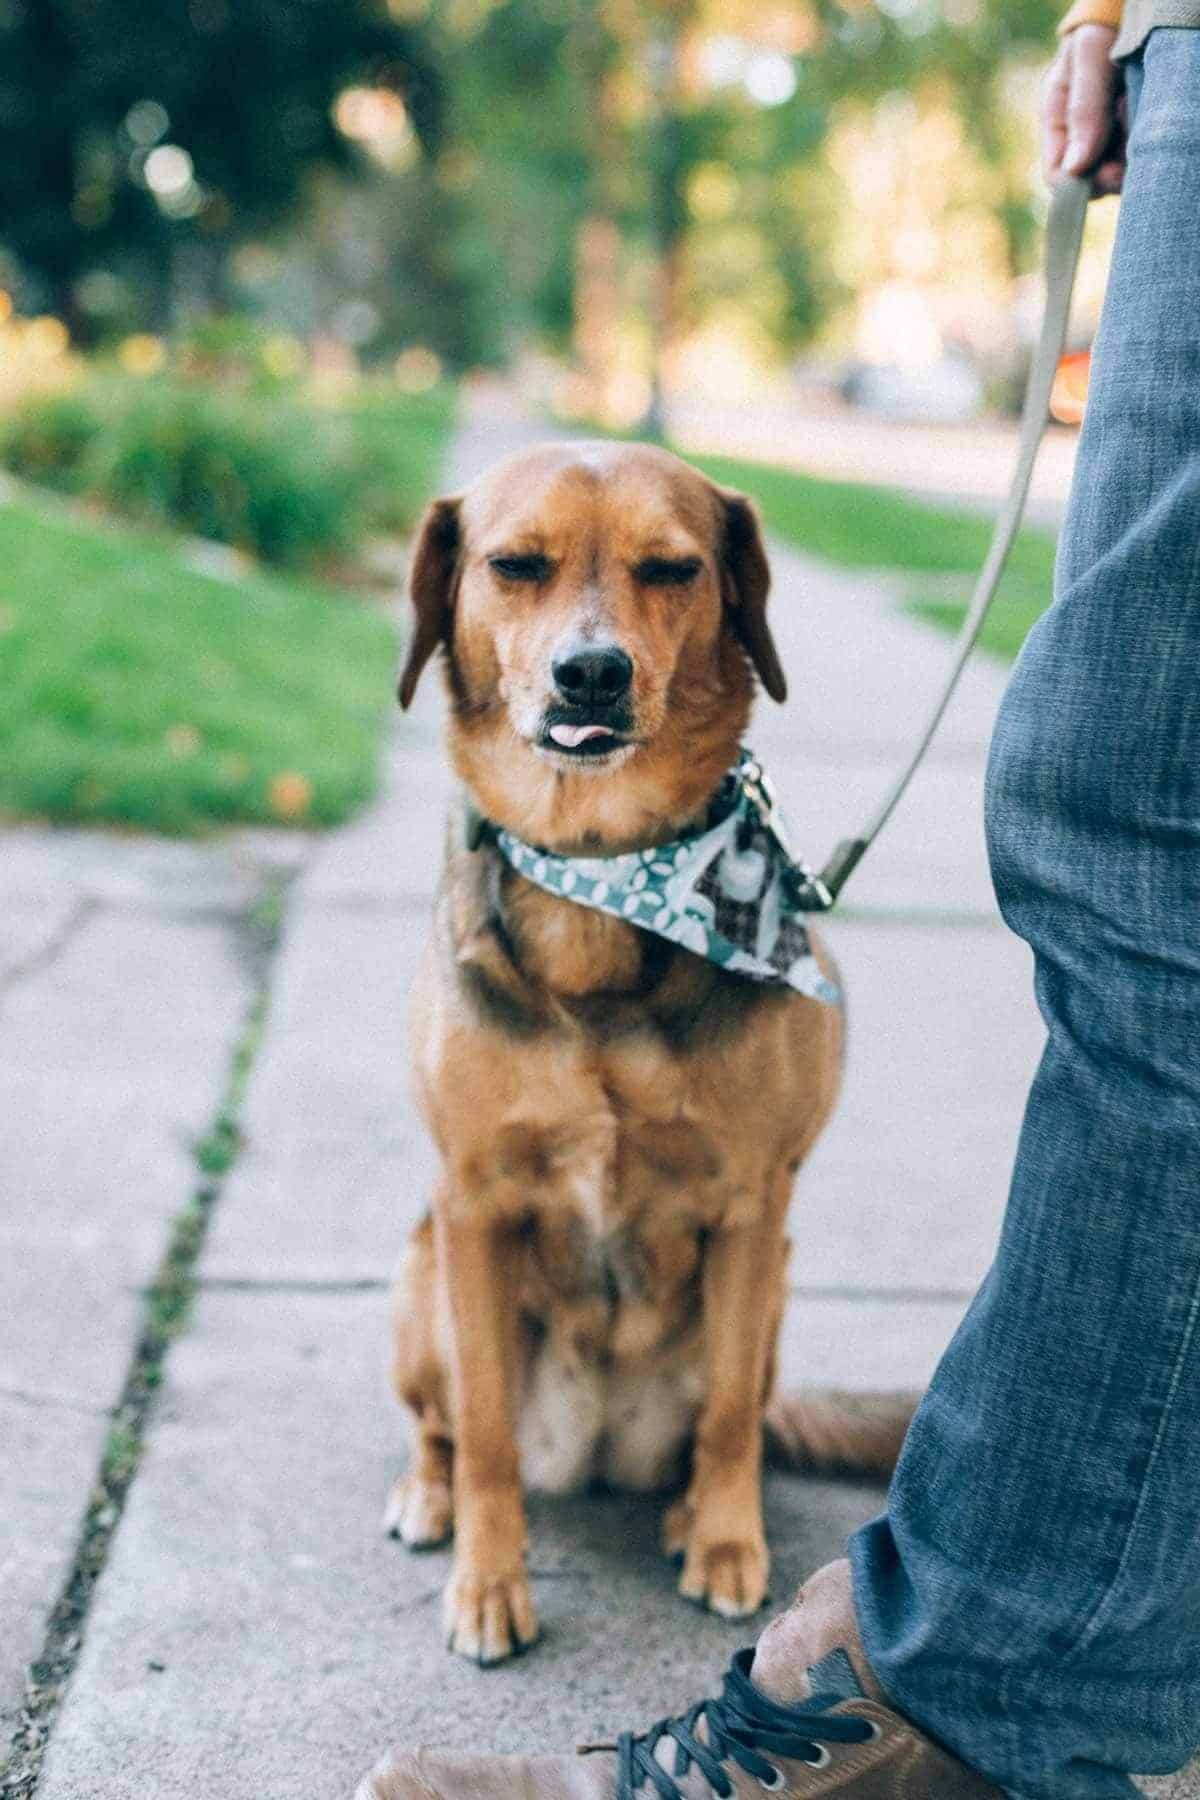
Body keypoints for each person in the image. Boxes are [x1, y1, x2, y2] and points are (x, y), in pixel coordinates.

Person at [355, 6, 1200, 1795]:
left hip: (691, 1297)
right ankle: (469, 1469)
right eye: (527, 577)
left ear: (731, 607)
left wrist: (724, 1470)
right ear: (453, 614)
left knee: (1122, 831)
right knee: (447, 1242)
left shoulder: (761, 940)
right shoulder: (474, 928)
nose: (592, 639)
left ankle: (822, 1511)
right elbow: (470, 1217)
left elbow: (759, 1216)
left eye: (660, 581)